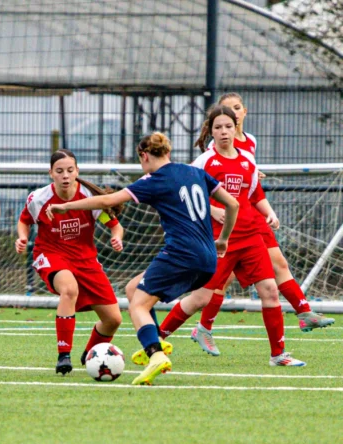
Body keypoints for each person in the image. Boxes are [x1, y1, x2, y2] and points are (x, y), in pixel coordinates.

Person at [47, 132, 239, 385]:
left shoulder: (154, 180)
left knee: (138, 305)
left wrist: (65, 206)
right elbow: (233, 204)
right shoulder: (194, 171)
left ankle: (155, 355)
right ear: (168, 152)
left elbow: (108, 200)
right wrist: (223, 239)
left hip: (180, 254)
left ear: (144, 156)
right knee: (132, 288)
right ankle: (156, 340)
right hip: (209, 258)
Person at [157, 105, 306, 366]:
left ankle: (278, 355)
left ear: (235, 128)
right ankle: (155, 340)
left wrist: (269, 213)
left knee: (270, 291)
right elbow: (185, 193)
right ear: (211, 131)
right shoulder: (205, 161)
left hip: (250, 237)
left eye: (228, 126)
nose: (224, 131)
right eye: (218, 127)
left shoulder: (247, 160)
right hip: (217, 241)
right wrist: (212, 209)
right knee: (200, 298)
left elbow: (255, 194)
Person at [196, 93, 334, 347]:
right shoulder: (212, 152)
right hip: (228, 219)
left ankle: (304, 313)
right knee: (222, 279)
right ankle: (203, 327)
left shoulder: (250, 141)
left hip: (250, 215)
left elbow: (250, 183)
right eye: (227, 111)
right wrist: (213, 210)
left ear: (244, 112)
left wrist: (267, 209)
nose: (233, 114)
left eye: (237, 108)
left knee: (279, 263)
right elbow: (203, 184)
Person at [16, 149, 124, 375]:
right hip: (51, 254)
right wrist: (22, 237)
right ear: (51, 173)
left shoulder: (89, 198)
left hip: (86, 260)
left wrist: (117, 237)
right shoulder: (39, 198)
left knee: (113, 319)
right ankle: (63, 355)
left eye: (69, 170)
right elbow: (24, 220)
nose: (65, 175)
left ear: (77, 171)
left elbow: (115, 225)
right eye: (59, 171)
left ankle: (91, 354)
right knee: (69, 289)